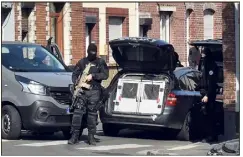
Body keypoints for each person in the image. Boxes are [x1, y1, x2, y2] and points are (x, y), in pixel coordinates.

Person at [68, 43, 109, 145]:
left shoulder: (100, 62)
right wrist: (76, 82)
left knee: (92, 114)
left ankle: (91, 136)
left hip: (94, 90)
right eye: (91, 52)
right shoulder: (82, 62)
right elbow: (75, 74)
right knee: (77, 113)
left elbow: (105, 75)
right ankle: (74, 136)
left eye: (94, 52)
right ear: (87, 51)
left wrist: (93, 76)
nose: (92, 54)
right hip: (82, 91)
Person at [198, 47, 219, 142]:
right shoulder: (202, 63)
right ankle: (206, 134)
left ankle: (211, 135)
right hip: (203, 91)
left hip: (209, 93)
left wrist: (207, 95)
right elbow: (200, 77)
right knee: (204, 114)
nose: (202, 56)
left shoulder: (211, 65)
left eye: (204, 54)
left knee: (210, 114)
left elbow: (211, 82)